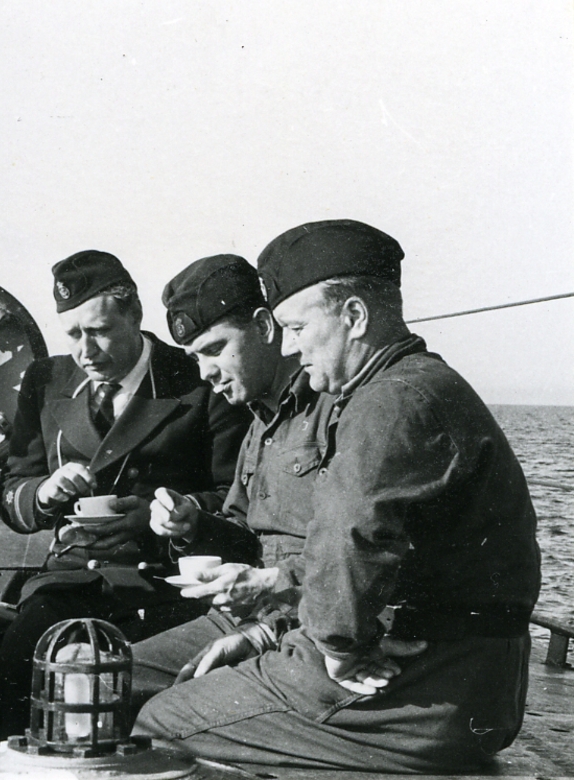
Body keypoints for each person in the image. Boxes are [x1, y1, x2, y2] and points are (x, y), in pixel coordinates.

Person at [134, 220, 541, 772]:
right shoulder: (406, 388)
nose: (291, 344)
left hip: (429, 684)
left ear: (353, 316)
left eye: (298, 326)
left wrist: (338, 651)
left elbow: (354, 541)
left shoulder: (389, 402)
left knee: (160, 725)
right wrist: (274, 631)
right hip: (439, 669)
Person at [0, 250, 254, 737]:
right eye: (72, 335)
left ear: (134, 314)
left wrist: (160, 515)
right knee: (22, 669)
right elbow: (12, 494)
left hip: (166, 583)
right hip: (69, 581)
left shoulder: (197, 377)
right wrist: (44, 492)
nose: (84, 351)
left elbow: (237, 495)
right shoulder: (47, 380)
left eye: (98, 331)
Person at [128, 254, 333, 705]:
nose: (205, 373)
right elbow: (244, 535)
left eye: (215, 349)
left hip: (306, 626)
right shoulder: (259, 422)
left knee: (160, 711)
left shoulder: (332, 408)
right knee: (97, 679)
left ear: (264, 327)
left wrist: (267, 622)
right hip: (253, 615)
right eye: (194, 356)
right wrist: (193, 524)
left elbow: (353, 559)